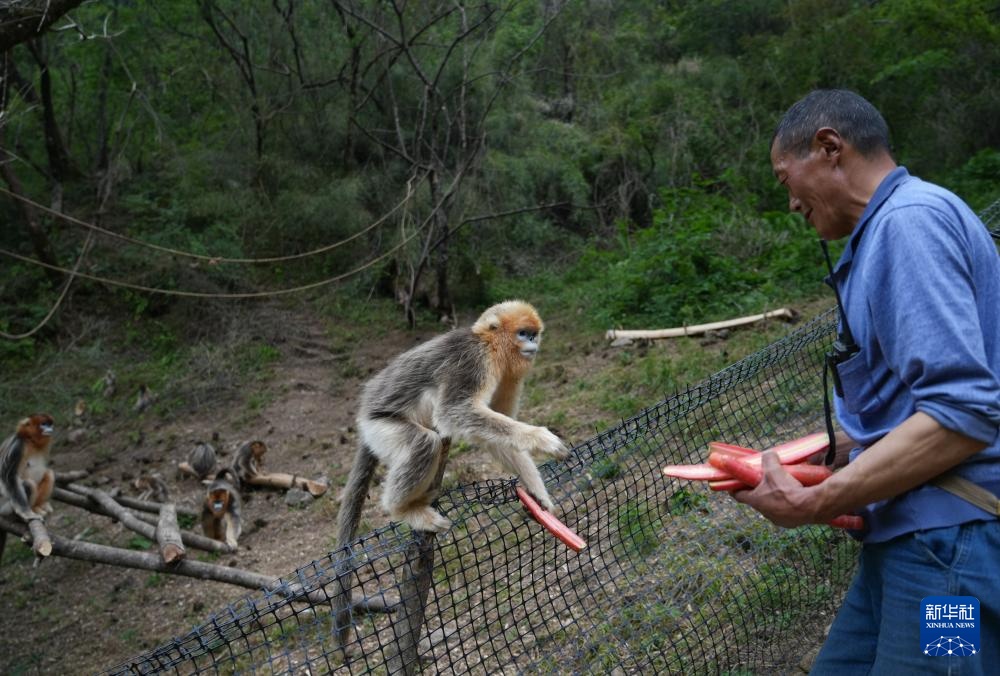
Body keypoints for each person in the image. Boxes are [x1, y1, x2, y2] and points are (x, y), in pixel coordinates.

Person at [734, 89, 1000, 674]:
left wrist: (817, 500)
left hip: (947, 561)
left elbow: (964, 413)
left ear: (830, 147)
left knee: (944, 667)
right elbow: (911, 402)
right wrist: (823, 454)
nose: (790, 204)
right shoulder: (888, 232)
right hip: (909, 547)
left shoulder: (909, 226)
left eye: (785, 179)